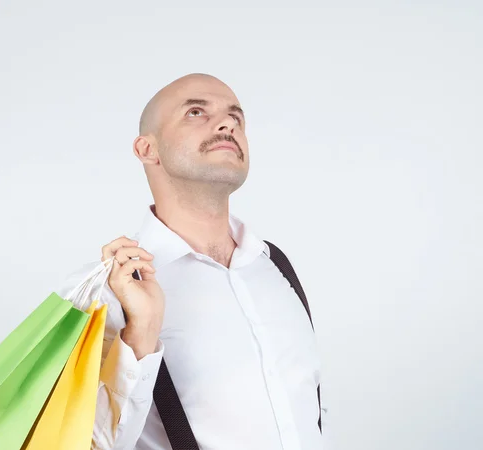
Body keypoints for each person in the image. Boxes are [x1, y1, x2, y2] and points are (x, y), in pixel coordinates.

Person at [58, 73, 327, 450]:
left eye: (236, 116)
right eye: (196, 112)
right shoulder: (105, 290)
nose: (227, 123)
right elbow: (76, 442)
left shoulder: (276, 268)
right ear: (147, 149)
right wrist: (140, 336)